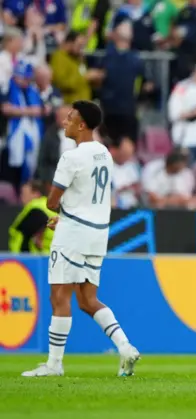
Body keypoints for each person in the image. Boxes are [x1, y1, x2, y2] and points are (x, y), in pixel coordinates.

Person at [22, 101, 140, 378]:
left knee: (59, 295)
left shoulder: (71, 157)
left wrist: (62, 214)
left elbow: (51, 202)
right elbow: (89, 197)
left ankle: (54, 365)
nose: (65, 122)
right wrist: (68, 214)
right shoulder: (104, 154)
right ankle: (125, 347)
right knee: (88, 300)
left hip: (72, 234)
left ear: (82, 124)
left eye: (70, 118)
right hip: (97, 233)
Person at [8, 180, 57, 254]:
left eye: (23, 194)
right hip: (52, 256)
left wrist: (19, 259)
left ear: (36, 193)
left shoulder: (35, 208)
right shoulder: (48, 206)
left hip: (34, 261)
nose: (21, 198)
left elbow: (22, 237)